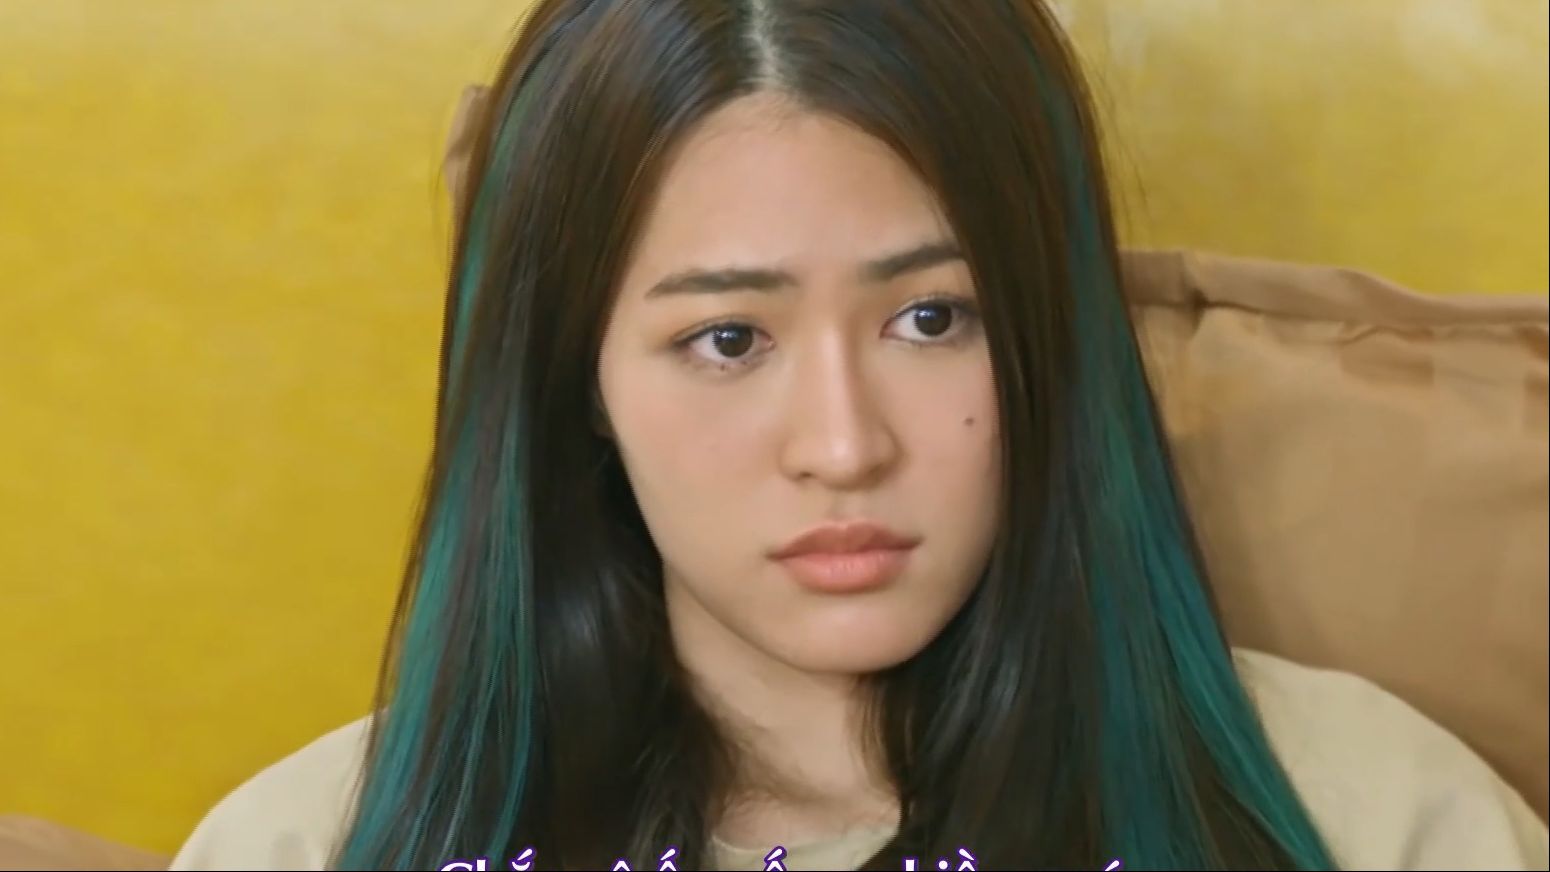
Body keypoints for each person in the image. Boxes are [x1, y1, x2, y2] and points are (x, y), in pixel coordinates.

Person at [169, 1, 1549, 870]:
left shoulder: (1370, 812)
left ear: (1044, 334)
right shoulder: (308, 844)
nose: (843, 446)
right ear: (575, 381)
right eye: (728, 339)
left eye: (931, 319)